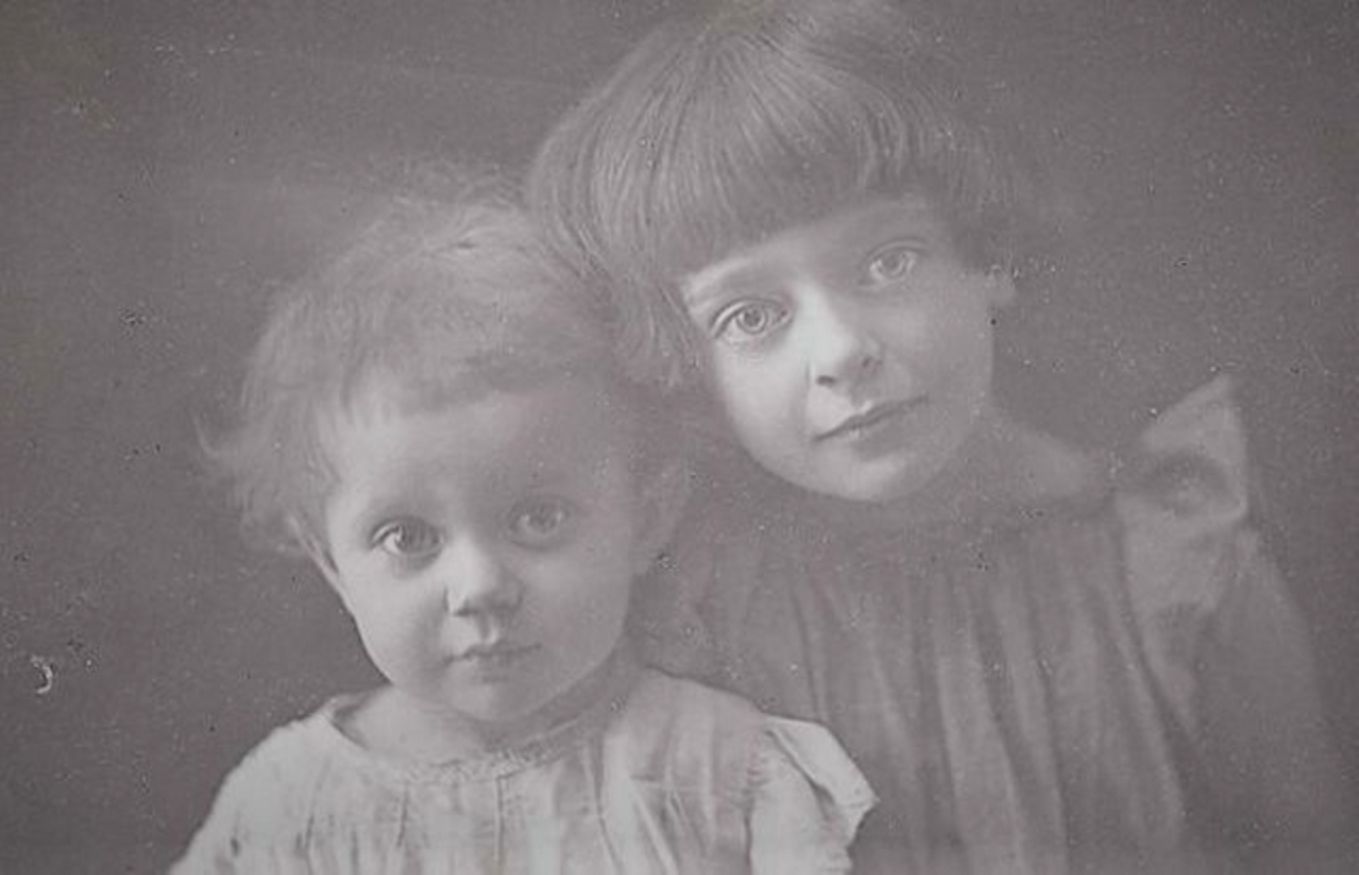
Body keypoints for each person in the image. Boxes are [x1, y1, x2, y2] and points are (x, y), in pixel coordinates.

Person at [527, 1, 1351, 871]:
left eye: (887, 262)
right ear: (685, 363)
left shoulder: (1170, 559)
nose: (840, 351)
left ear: (985, 256)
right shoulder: (699, 603)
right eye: (751, 315)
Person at [174, 185, 874, 873]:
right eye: (408, 538)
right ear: (331, 562)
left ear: (645, 520)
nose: (480, 587)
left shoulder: (720, 771)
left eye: (539, 519)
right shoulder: (290, 808)